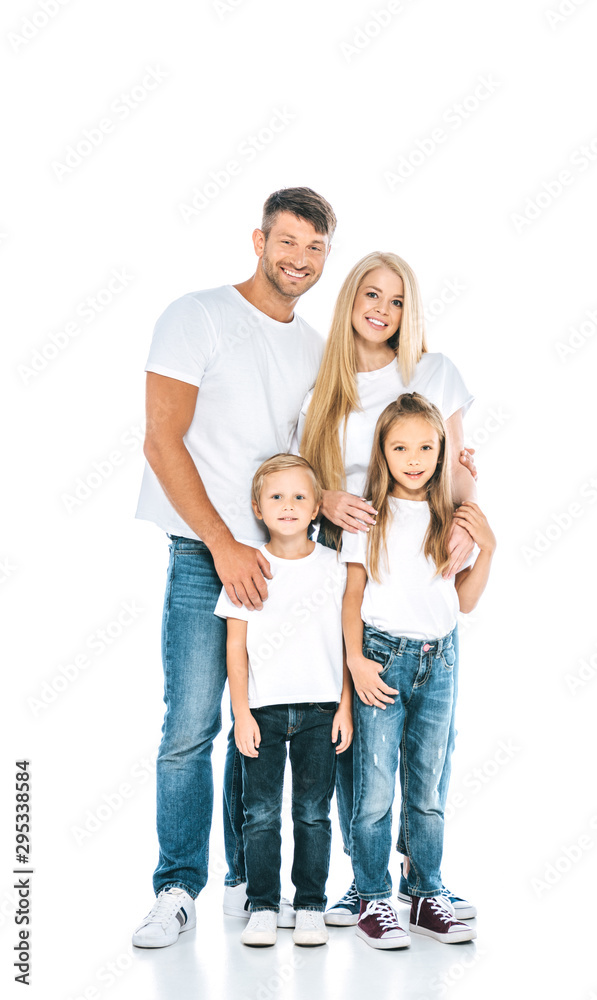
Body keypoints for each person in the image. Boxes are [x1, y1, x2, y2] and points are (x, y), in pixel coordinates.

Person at [131, 187, 337, 949]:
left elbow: (316, 459)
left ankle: (245, 880)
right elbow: (161, 442)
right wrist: (222, 544)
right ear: (259, 240)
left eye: (314, 248)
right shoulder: (196, 317)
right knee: (190, 724)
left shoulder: (315, 348)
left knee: (261, 720)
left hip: (281, 560)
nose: (299, 260)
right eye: (287, 242)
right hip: (203, 553)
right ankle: (175, 887)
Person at [296, 252, 479, 924]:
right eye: (370, 295)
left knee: (425, 764)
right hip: (347, 570)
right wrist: (324, 497)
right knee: (356, 744)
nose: (382, 309)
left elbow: (458, 467)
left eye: (397, 300)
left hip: (420, 569)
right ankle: (365, 882)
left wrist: (471, 522)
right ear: (348, 301)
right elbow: (299, 480)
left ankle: (416, 880)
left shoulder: (433, 373)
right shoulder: (324, 393)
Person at [341, 393, 496, 949]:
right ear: (382, 451)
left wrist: (489, 548)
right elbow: (352, 595)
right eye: (400, 446)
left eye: (426, 447)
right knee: (376, 788)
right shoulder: (369, 516)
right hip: (382, 660)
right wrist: (356, 660)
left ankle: (426, 891)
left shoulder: (448, 518)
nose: (414, 458)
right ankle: (371, 895)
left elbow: (465, 602)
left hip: (441, 660)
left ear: (443, 452)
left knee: (428, 787)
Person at [215, 455, 352, 947]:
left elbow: (345, 640)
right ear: (257, 506)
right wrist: (242, 714)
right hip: (264, 712)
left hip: (319, 710)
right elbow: (235, 647)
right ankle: (264, 905)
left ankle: (311, 904)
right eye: (276, 497)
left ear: (318, 507)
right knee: (261, 813)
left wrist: (345, 707)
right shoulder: (246, 566)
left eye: (299, 497)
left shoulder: (336, 567)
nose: (288, 505)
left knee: (314, 811)